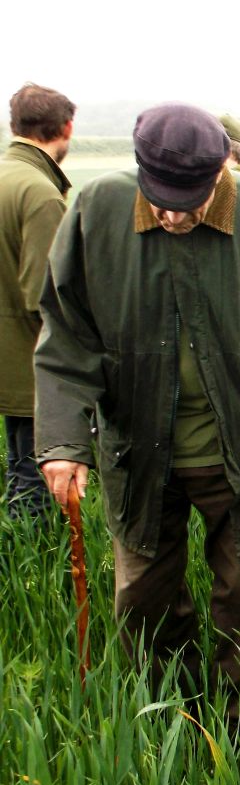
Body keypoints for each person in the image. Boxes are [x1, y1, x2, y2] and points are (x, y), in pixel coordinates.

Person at [35, 103, 240, 720]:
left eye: (189, 199)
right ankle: (165, 714)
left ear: (222, 172)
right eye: (160, 196)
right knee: (143, 595)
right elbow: (67, 336)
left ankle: (239, 716)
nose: (172, 213)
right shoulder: (97, 210)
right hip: (140, 452)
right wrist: (63, 443)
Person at [0, 83, 74, 521]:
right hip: (30, 359)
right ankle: (38, 559)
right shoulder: (39, 192)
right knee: (33, 475)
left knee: (19, 463)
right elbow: (45, 297)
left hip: (8, 352)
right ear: (66, 127)